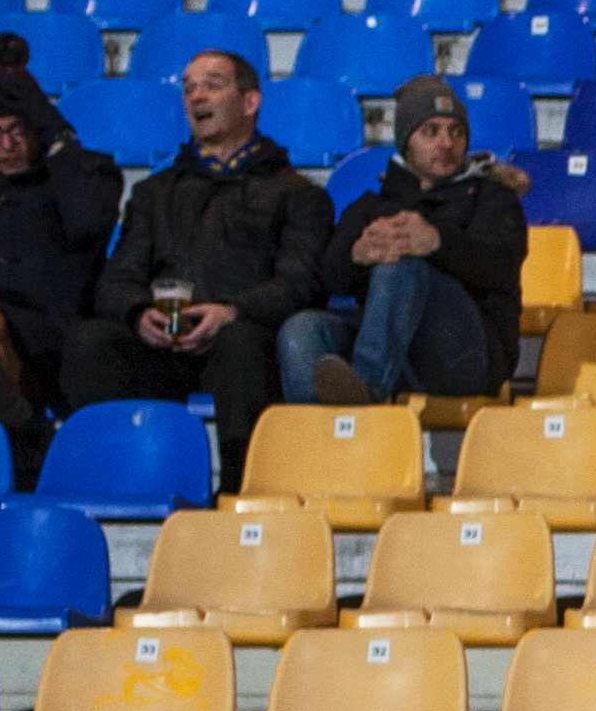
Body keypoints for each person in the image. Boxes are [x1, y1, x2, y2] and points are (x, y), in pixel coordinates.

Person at [64, 51, 330, 474]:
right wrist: (138, 314)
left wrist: (231, 311)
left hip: (239, 342)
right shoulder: (154, 192)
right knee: (91, 341)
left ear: (249, 102)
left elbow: (301, 283)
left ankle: (241, 487)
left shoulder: (298, 194)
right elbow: (117, 280)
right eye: (188, 87)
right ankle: (115, 477)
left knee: (240, 343)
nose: (196, 96)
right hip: (162, 344)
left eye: (212, 83)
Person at [281, 76, 527, 409]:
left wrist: (438, 242)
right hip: (395, 352)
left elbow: (501, 266)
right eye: (431, 131)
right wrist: (357, 255)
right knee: (302, 329)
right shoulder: (372, 205)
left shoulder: (493, 198)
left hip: (466, 356)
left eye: (456, 132)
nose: (446, 143)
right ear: (405, 142)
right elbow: (329, 277)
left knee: (403, 266)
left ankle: (365, 397)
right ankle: (319, 434)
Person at [0, 33, 122, 481]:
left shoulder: (83, 176)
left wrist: (53, 129)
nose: (8, 145)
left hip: (53, 338)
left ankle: (22, 418)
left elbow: (90, 223)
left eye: (18, 132)